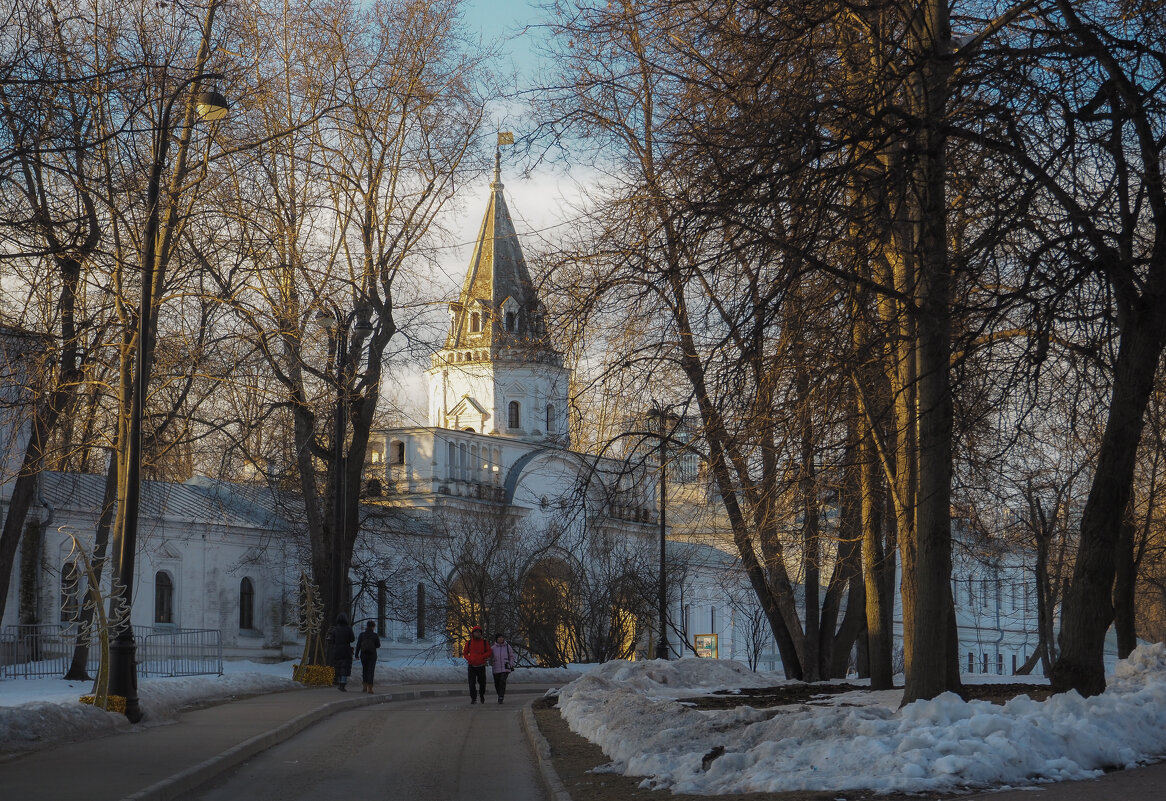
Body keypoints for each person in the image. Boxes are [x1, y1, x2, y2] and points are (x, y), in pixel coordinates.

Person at [463, 625, 491, 704]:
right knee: (471, 683)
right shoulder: (469, 643)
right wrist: (469, 658)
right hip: (472, 666)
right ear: (473, 633)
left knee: (482, 683)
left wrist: (483, 657)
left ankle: (481, 695)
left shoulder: (484, 642)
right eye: (476, 632)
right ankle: (473, 698)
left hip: (481, 665)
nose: (477, 634)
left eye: (479, 632)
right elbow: (465, 653)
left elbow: (489, 652)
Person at [327, 613, 355, 691]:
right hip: (346, 650)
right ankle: (343, 683)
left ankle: (339, 683)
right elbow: (352, 639)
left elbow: (331, 640)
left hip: (337, 650)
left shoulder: (335, 629)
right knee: (345, 667)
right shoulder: (348, 628)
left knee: (338, 666)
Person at [355, 620, 381, 694]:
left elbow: (358, 645)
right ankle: (370, 688)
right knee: (371, 671)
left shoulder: (362, 635)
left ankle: (364, 687)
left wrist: (356, 655)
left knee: (365, 670)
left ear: (367, 626)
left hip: (363, 655)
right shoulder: (375, 635)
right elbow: (378, 645)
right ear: (373, 627)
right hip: (372, 655)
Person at [490, 633, 516, 704]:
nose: (501, 639)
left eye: (502, 637)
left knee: (502, 681)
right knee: (497, 683)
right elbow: (489, 656)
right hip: (496, 668)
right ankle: (499, 694)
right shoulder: (493, 648)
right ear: (496, 639)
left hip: (505, 667)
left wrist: (511, 664)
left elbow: (511, 656)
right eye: (499, 638)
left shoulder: (507, 646)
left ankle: (501, 696)